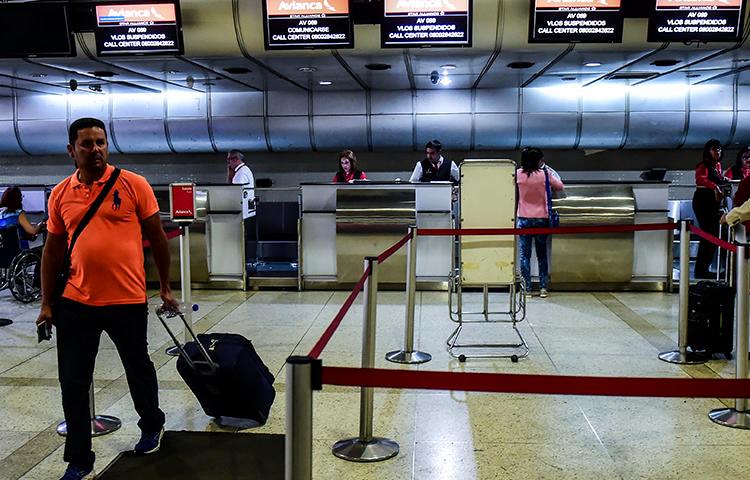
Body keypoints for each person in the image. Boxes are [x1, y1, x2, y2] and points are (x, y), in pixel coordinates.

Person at [35, 117, 178, 480]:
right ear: (72, 150)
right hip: (76, 302)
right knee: (74, 380)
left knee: (138, 368)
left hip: (126, 300)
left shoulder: (133, 184)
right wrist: (46, 303)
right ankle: (79, 458)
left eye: (101, 142)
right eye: (87, 144)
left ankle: (151, 424)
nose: (95, 149)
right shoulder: (61, 193)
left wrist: (164, 286)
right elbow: (52, 251)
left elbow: (158, 238)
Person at [516, 147, 564, 298]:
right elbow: (560, 186)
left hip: (523, 218)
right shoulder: (545, 174)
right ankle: (543, 288)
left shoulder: (517, 174)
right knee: (541, 255)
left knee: (525, 256)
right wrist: (545, 167)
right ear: (539, 160)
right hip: (541, 218)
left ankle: (527, 289)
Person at [692, 139, 729, 279]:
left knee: (712, 235)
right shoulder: (703, 165)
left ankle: (703, 269)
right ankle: (701, 270)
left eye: (719, 149)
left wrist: (722, 180)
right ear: (708, 151)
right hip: (703, 201)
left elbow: (716, 179)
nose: (717, 152)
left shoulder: (717, 165)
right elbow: (700, 179)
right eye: (714, 149)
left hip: (713, 202)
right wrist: (715, 186)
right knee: (708, 235)